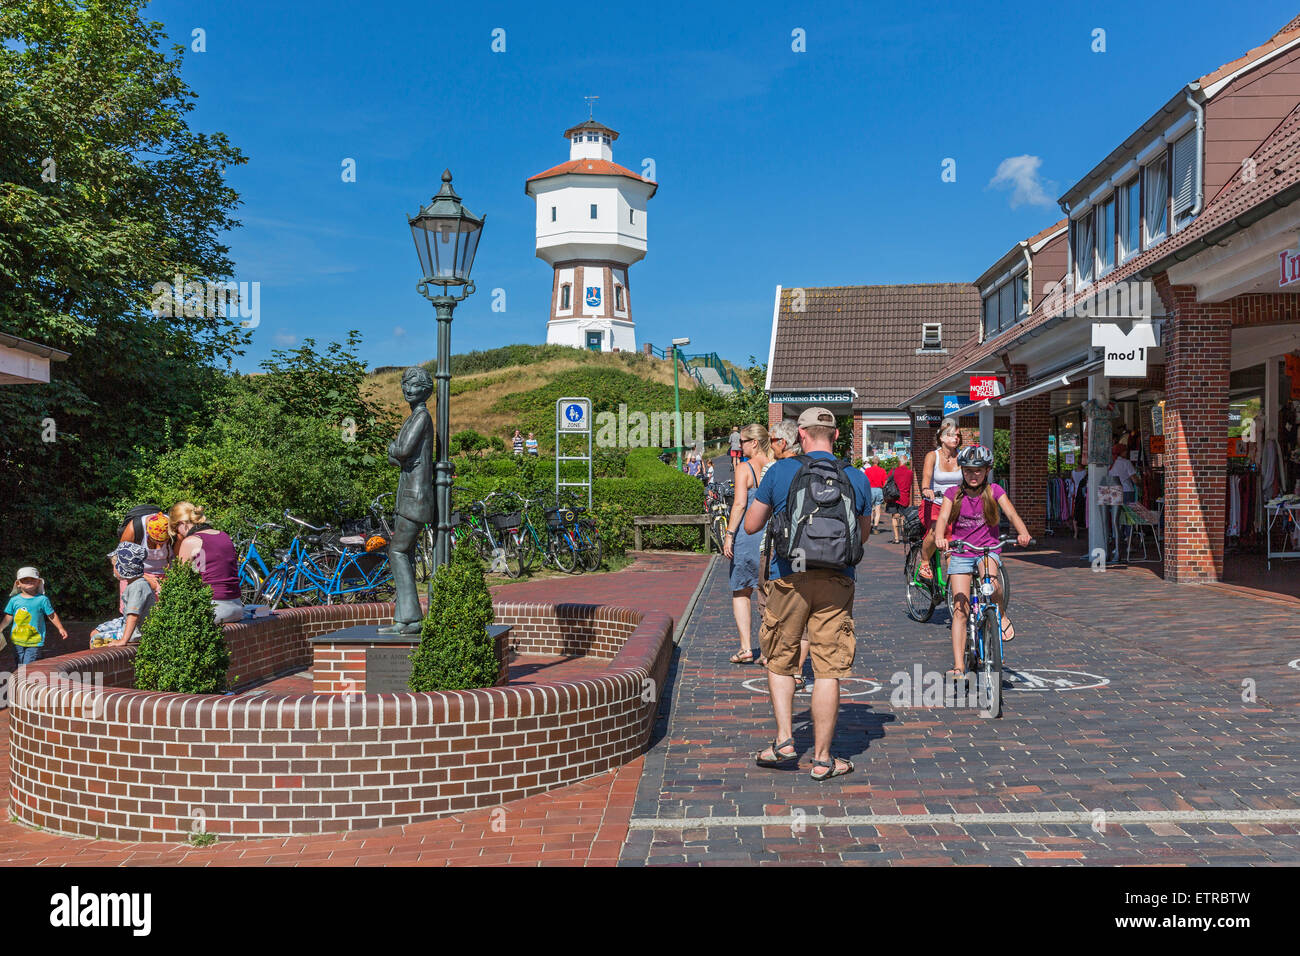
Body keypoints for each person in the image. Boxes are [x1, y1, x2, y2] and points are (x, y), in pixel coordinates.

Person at [745, 407, 870, 781]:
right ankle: (822, 759)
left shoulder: (781, 471)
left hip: (789, 577)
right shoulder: (856, 477)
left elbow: (752, 526)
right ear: (835, 436)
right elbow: (861, 537)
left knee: (780, 659)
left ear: (801, 435)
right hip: (837, 579)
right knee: (828, 668)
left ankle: (785, 742)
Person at [933, 445, 1031, 677]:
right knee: (960, 609)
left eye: (978, 471)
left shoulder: (994, 491)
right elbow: (943, 517)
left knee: (993, 584)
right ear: (962, 471)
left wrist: (1023, 533)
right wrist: (939, 537)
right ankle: (959, 665)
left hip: (986, 550)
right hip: (961, 551)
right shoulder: (953, 494)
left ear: (987, 470)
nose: (973, 475)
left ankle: (1001, 614)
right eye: (968, 471)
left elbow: (1012, 514)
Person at [762, 419, 810, 691]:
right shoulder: (817, 466)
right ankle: (799, 671)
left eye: (773, 440)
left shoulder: (777, 470)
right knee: (806, 620)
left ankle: (785, 670)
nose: (771, 445)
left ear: (783, 442)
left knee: (782, 620)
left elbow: (753, 523)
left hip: (786, 557)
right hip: (821, 558)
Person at [725, 425, 773, 665]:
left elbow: (739, 504)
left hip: (747, 533)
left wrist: (729, 534)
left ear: (754, 443)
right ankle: (767, 651)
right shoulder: (776, 465)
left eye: (742, 441)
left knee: (741, 589)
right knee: (769, 591)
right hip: (772, 535)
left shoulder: (745, 468)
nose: (739, 446)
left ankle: (746, 648)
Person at [170, 502, 244, 623]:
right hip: (237, 607)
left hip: (213, 609)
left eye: (175, 528)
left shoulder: (190, 541)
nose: (178, 533)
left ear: (182, 524)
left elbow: (181, 582)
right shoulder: (224, 536)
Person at [917, 418, 962, 581]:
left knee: (955, 543)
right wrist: (926, 489)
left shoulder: (962, 457)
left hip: (955, 505)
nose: (955, 438)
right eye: (950, 435)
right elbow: (926, 477)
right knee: (937, 531)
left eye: (957, 435)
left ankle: (953, 585)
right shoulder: (932, 456)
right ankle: (924, 561)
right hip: (935, 503)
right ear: (941, 438)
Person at [91, 542, 157, 647]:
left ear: (123, 568)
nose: (113, 570)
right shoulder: (135, 583)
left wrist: (123, 641)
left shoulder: (137, 587)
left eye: (114, 566)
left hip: (136, 634)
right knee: (96, 631)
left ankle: (105, 663)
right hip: (126, 622)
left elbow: (133, 616)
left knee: (96, 639)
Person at [2, 566, 68, 665]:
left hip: (34, 640)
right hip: (17, 640)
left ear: (38, 582)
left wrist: (60, 628)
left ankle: (26, 678)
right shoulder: (14, 600)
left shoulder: (42, 600)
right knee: (18, 664)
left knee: (27, 665)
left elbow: (52, 615)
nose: (29, 581)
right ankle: (21, 679)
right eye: (25, 580)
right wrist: (1, 628)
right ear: (18, 584)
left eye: (32, 579)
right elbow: (9, 616)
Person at [886, 453, 913, 544]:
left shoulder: (893, 471)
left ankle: (896, 538)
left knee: (894, 517)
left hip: (894, 497)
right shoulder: (909, 472)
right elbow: (910, 485)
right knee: (903, 517)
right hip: (905, 497)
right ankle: (904, 537)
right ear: (906, 462)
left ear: (899, 461)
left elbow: (887, 482)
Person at [863, 456, 887, 533]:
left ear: (872, 462)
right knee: (878, 509)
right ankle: (875, 527)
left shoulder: (868, 470)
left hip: (870, 490)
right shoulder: (882, 470)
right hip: (879, 490)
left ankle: (870, 525)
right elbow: (885, 482)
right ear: (879, 462)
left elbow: (865, 481)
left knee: (870, 509)